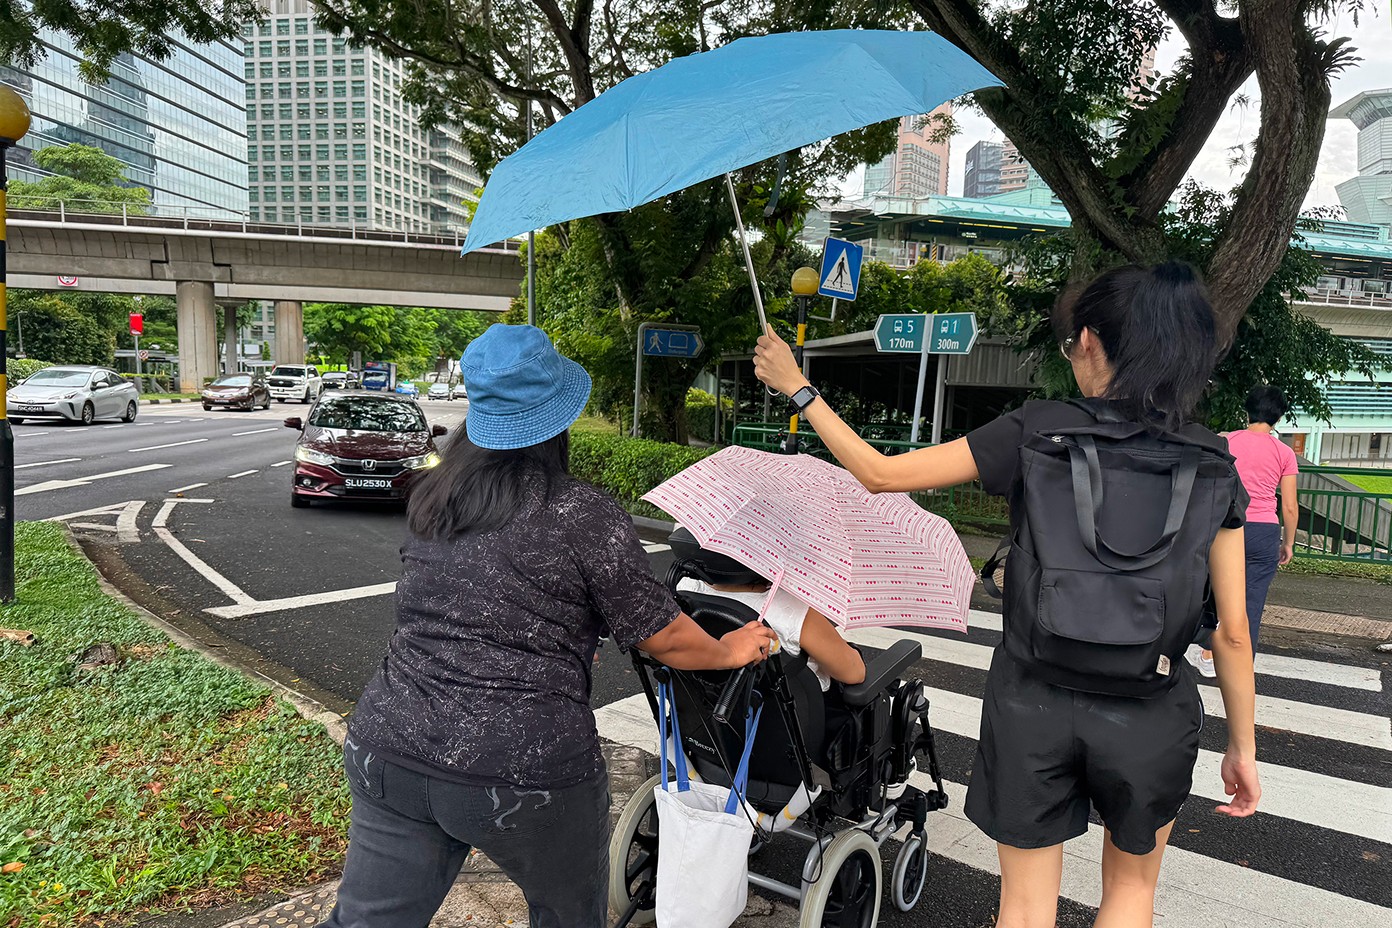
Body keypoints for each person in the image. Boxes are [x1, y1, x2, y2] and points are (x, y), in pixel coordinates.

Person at [754, 262, 1261, 928]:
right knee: (1133, 894)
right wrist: (1243, 747)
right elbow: (1231, 632)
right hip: (1150, 709)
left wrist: (798, 387)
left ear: (1088, 340)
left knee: (1023, 906)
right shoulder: (1213, 465)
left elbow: (880, 473)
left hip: (1034, 701)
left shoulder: (1035, 430)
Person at [320, 325, 775, 928]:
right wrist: (730, 648)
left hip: (390, 746)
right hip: (525, 770)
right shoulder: (580, 511)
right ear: (555, 421)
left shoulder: (435, 494)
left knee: (365, 922)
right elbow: (662, 636)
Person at [1187, 386, 1299, 677]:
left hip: (1226, 526)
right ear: (1278, 417)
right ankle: (1237, 671)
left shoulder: (1224, 441)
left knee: (1210, 590)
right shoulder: (1284, 452)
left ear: (1247, 410)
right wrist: (1288, 543)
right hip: (1265, 533)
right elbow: (1289, 506)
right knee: (1252, 603)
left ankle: (1206, 649)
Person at [668, 527, 866, 690]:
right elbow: (853, 673)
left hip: (702, 725)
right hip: (787, 728)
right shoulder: (791, 610)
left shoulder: (682, 590)